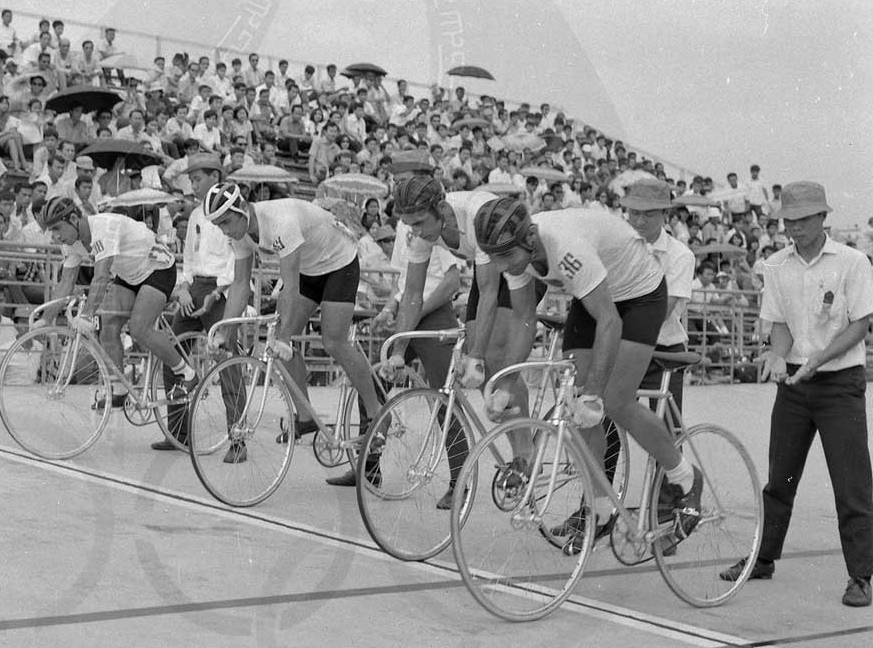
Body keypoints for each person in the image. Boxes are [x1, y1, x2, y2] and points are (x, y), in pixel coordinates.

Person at [472, 196, 705, 551]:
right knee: (576, 408)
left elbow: (609, 321)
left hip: (640, 295)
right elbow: (523, 319)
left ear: (529, 239)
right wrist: (506, 382)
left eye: (507, 256)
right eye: (496, 257)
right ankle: (600, 509)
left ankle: (684, 477)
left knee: (613, 401)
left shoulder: (566, 247)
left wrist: (595, 392)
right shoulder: (514, 254)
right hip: (594, 290)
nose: (503, 266)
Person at [719, 182, 873, 606]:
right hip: (793, 384)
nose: (796, 228)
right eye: (789, 220)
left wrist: (817, 361)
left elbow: (860, 325)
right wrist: (775, 353)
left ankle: (861, 574)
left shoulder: (852, 262)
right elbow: (780, 324)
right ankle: (763, 557)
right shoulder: (776, 265)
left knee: (852, 481)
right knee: (780, 476)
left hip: (839, 383)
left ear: (823, 217)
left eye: (804, 219)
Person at [202, 181, 382, 469]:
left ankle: (376, 412)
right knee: (276, 343)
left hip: (339, 262)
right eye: (218, 225)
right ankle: (306, 416)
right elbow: (239, 285)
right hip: (309, 267)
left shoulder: (280, 221)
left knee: (332, 340)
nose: (224, 230)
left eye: (226, 222)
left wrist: (285, 335)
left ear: (242, 209)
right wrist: (227, 333)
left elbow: (289, 285)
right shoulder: (239, 233)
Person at [39, 194, 198, 411]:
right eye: (51, 230)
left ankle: (187, 373)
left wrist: (85, 315)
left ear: (74, 219)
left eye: (57, 228)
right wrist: (45, 319)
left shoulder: (103, 227)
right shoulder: (71, 242)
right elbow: (65, 282)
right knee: (107, 327)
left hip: (157, 267)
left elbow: (102, 276)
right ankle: (120, 391)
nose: (55, 236)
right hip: (129, 274)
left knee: (138, 328)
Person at [371, 175, 467, 503]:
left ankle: (459, 480)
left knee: (443, 399)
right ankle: (369, 465)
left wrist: (417, 316)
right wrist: (391, 310)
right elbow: (406, 286)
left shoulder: (438, 227)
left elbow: (451, 282)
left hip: (435, 314)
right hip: (410, 313)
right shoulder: (409, 228)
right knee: (374, 380)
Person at [151, 152, 241, 452]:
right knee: (170, 352)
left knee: (227, 361)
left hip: (221, 291)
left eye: (198, 178)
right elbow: (189, 256)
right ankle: (178, 432)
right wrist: (185, 286)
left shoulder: (233, 209)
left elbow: (237, 259)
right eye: (191, 179)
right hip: (195, 288)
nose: (194, 185)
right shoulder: (195, 214)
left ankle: (237, 438)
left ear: (215, 177)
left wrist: (219, 291)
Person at [621, 178, 696, 428]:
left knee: (667, 433)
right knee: (606, 426)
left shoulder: (680, 255)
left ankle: (674, 467)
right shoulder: (617, 248)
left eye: (649, 214)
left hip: (664, 350)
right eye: (634, 213)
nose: (640, 221)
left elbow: (661, 311)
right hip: (624, 346)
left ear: (666, 213)